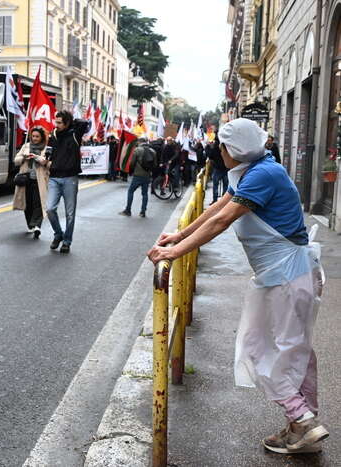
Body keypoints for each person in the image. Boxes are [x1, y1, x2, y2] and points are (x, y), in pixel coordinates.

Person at [148, 118, 328, 455]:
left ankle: (302, 420)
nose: (219, 151)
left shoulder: (262, 174)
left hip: (287, 277)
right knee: (296, 350)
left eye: (222, 147)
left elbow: (222, 219)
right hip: (288, 274)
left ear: (235, 149)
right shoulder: (258, 168)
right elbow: (218, 207)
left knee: (260, 347)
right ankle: (302, 426)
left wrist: (174, 252)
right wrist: (180, 235)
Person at [46, 110, 89, 253]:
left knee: (70, 213)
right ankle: (58, 234)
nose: (56, 124)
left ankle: (67, 241)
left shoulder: (75, 134)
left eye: (59, 122)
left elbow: (84, 123)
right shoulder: (53, 135)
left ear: (67, 123)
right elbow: (48, 153)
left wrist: (71, 122)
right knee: (50, 209)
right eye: (55, 121)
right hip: (54, 177)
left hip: (70, 178)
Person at [12, 127, 50, 238]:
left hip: (40, 180)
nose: (35, 138)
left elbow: (49, 163)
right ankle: (30, 225)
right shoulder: (26, 146)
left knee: (38, 203)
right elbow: (16, 160)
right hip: (26, 179)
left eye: (37, 136)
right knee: (27, 203)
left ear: (42, 137)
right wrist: (24, 157)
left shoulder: (47, 148)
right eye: (33, 136)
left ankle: (37, 226)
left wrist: (38, 158)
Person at [119, 137, 154, 218]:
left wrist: (130, 172)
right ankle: (143, 212)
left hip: (138, 175)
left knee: (131, 191)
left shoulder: (137, 150)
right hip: (147, 176)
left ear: (140, 142)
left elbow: (132, 163)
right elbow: (154, 164)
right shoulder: (152, 151)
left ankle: (128, 210)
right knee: (145, 194)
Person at [206, 136, 229, 204]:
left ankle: (215, 200)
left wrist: (207, 146)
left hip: (218, 169)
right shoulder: (226, 147)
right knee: (225, 185)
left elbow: (210, 155)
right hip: (225, 169)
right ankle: (224, 201)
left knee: (216, 185)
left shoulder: (215, 148)